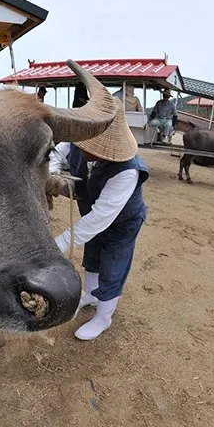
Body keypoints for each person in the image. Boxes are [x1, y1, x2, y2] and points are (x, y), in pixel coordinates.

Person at [49, 98, 149, 341]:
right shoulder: (78, 146)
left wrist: (59, 243)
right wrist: (51, 175)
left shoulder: (127, 170)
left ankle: (104, 317)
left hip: (121, 225)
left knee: (113, 266)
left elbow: (99, 219)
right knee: (92, 256)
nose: (80, 150)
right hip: (93, 215)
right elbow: (57, 153)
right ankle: (91, 295)